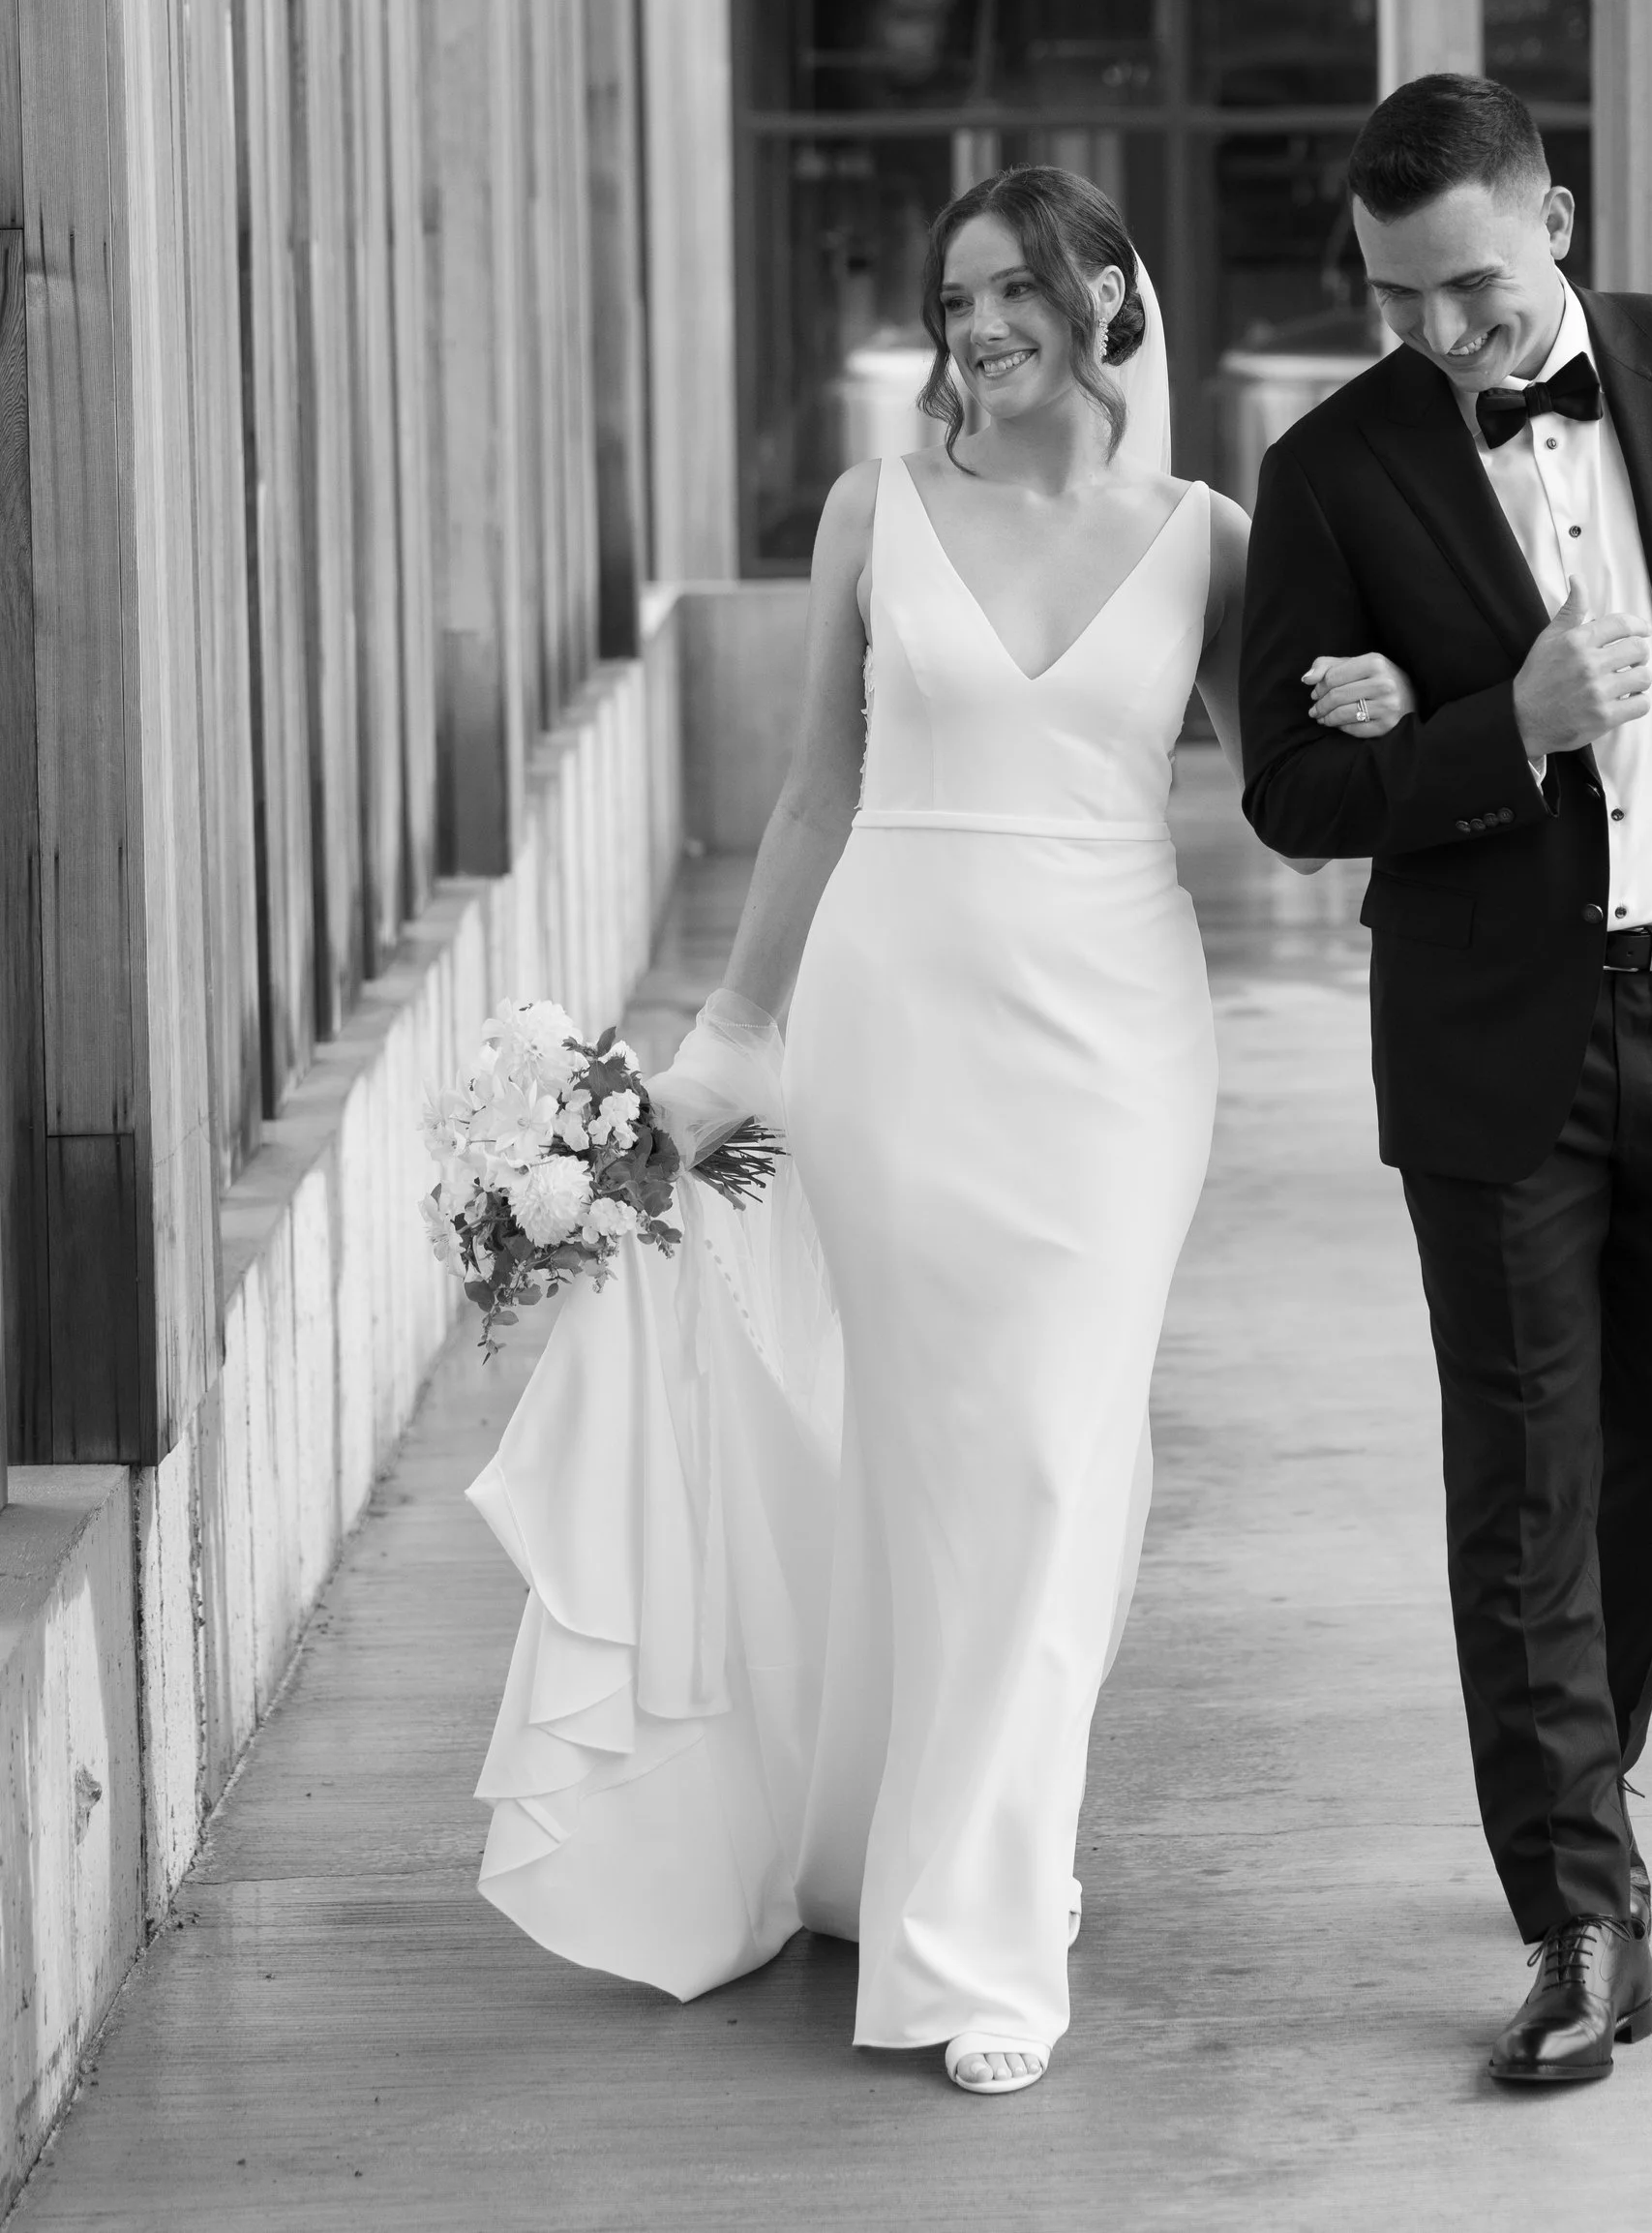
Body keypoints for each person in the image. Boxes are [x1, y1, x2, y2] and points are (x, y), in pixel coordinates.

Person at [468, 166, 1365, 2095]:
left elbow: (1297, 808)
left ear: (1107, 297)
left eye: (1013, 288)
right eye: (952, 297)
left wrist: (1393, 708)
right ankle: (938, 1847)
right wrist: (725, 1043)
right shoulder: (872, 509)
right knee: (921, 1459)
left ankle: (985, 1932)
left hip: (1114, 1047)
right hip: (889, 1031)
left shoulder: (1208, 536)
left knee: (1051, 1456)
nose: (976, 327)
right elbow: (815, 792)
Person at [1239, 73, 1652, 2089]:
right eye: (1395, 298)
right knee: (1521, 1484)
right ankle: (1580, 1911)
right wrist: (1500, 726)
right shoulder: (1330, 469)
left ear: (1555, 217)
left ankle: (1576, 1796)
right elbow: (1290, 790)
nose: (1441, 333)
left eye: (1467, 286)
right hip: (1490, 1047)